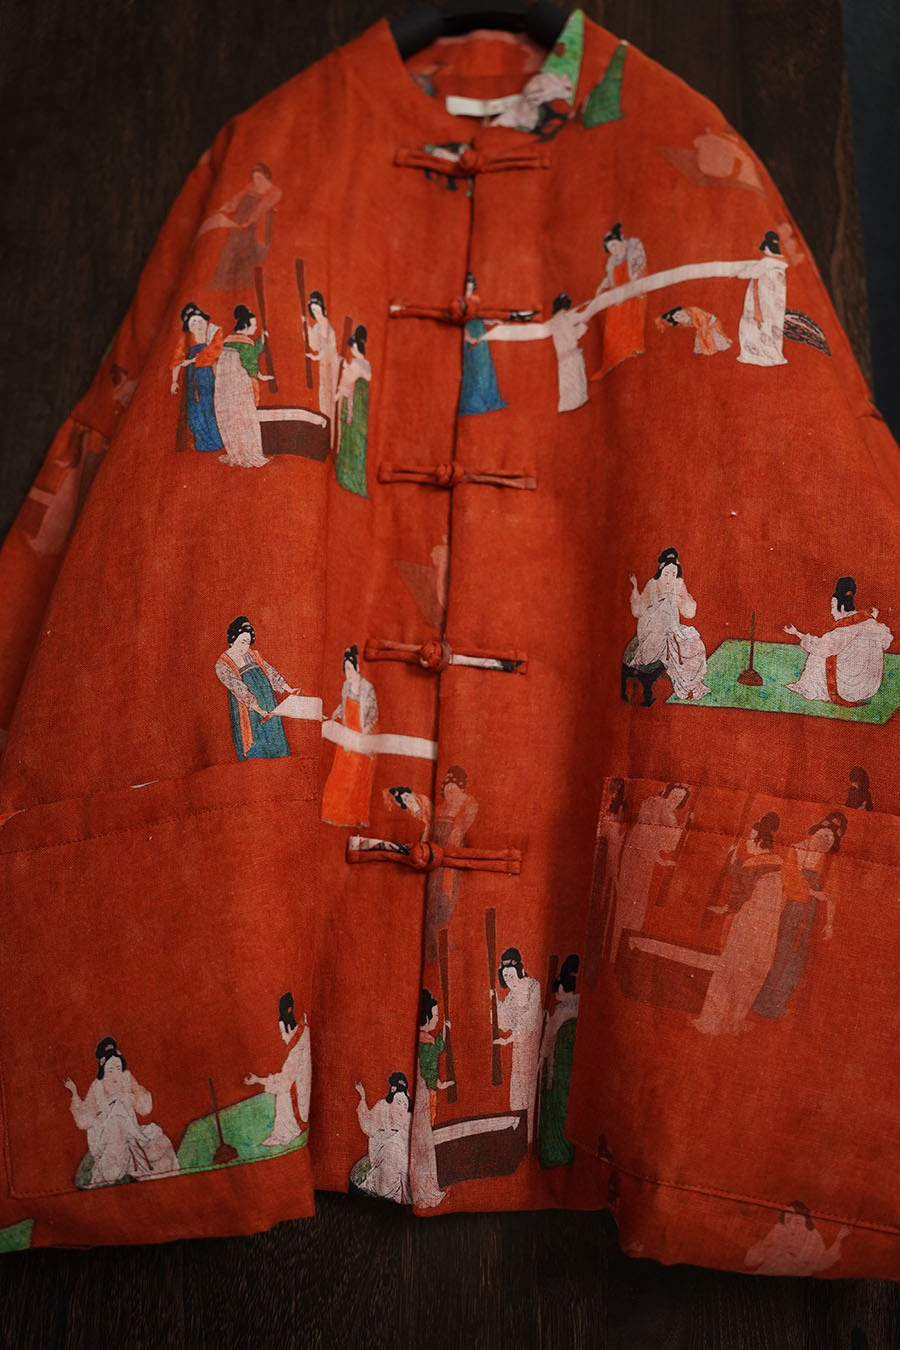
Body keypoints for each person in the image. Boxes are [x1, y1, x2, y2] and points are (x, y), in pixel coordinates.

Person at [691, 813, 785, 1036]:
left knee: (730, 969)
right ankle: (734, 1022)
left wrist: (726, 908)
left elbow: (740, 892)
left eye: (751, 838)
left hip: (749, 924)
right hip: (767, 928)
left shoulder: (754, 864)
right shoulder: (778, 864)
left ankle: (713, 1022)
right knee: (751, 974)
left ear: (760, 841)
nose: (747, 843)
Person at [753, 815, 845, 1019]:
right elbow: (789, 877)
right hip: (790, 909)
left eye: (829, 838)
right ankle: (761, 1002)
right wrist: (811, 892)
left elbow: (832, 894)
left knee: (798, 960)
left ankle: (779, 1005)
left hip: (811, 917)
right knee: (778, 953)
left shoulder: (830, 862)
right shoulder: (796, 849)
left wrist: (829, 923)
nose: (824, 840)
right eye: (822, 835)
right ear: (814, 832)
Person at [64, 1037, 179, 1187]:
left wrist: (129, 1097)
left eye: (118, 1068)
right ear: (103, 1068)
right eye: (110, 1070)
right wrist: (75, 1093)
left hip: (132, 1132)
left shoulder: (126, 1077)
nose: (115, 1074)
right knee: (115, 1127)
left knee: (160, 1146)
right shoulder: (97, 1086)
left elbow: (144, 1107)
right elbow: (84, 1120)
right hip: (109, 1137)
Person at [472, 291, 599, 412]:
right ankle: (574, 402)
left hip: (565, 355)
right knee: (574, 378)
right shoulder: (564, 319)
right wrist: (583, 326)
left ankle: (572, 403)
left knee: (570, 379)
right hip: (570, 354)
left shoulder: (556, 320)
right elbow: (572, 335)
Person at [608, 784, 690, 963]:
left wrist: (661, 858)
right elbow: (656, 838)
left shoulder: (667, 815)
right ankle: (614, 953)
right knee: (626, 904)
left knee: (636, 908)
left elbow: (665, 845)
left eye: (679, 799)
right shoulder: (655, 804)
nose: (674, 801)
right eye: (674, 796)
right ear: (668, 793)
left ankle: (622, 953)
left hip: (645, 866)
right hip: (634, 862)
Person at [785, 576, 894, 706]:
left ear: (839, 605)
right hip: (871, 686)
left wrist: (797, 633)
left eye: (832, 607)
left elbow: (822, 648)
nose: (832, 612)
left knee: (817, 656)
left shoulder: (847, 625)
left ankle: (809, 689)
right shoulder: (869, 620)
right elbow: (885, 642)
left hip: (851, 689)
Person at [628, 547, 711, 700]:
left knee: (696, 646)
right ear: (661, 570)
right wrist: (635, 588)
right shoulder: (653, 585)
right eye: (666, 574)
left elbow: (690, 612)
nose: (669, 578)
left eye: (673, 574)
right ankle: (685, 687)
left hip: (674, 629)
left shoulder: (678, 584)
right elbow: (638, 611)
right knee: (666, 616)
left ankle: (693, 686)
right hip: (654, 631)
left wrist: (677, 599)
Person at [214, 616, 300, 760]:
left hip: (268, 701)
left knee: (274, 735)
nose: (245, 647)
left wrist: (289, 689)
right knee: (257, 741)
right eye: (242, 641)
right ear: (233, 639)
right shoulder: (222, 664)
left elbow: (270, 672)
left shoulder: (252, 655)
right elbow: (239, 689)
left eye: (248, 642)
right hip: (248, 708)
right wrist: (258, 709)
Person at [198, 163, 283, 292]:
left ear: (266, 176)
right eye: (254, 177)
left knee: (252, 249)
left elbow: (262, 208)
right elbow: (237, 198)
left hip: (258, 223)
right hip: (240, 218)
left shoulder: (275, 191)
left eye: (259, 178)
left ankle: (244, 277)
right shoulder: (251, 186)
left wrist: (249, 221)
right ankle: (223, 279)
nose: (256, 181)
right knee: (232, 246)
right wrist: (225, 208)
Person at [424, 765, 479, 960]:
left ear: (462, 786)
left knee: (447, 901)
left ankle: (442, 940)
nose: (449, 788)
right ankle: (433, 943)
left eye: (454, 783)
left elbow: (461, 831)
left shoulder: (468, 804)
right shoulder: (440, 808)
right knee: (432, 901)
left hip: (452, 862)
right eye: (446, 784)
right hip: (433, 862)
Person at [243, 992, 311, 1147]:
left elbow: (285, 1083)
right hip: (300, 1087)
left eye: (282, 1031)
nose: (282, 1036)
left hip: (299, 1103)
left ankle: (284, 1133)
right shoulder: (303, 1031)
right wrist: (259, 1079)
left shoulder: (296, 1047)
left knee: (283, 1096)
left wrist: (261, 1083)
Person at [321, 644, 378, 826]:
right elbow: (343, 704)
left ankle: (354, 817)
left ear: (357, 667)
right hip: (347, 734)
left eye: (350, 668)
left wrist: (364, 735)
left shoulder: (367, 687)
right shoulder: (346, 685)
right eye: (345, 669)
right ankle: (335, 814)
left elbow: (373, 714)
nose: (348, 673)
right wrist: (336, 713)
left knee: (357, 777)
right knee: (340, 773)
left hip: (363, 735)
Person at [492, 947, 543, 1144]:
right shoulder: (511, 997)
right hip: (519, 1051)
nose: (509, 980)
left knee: (532, 1089)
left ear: (520, 970)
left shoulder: (533, 986)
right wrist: (495, 1003)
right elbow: (504, 1023)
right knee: (518, 1089)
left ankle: (531, 1135)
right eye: (505, 977)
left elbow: (530, 1020)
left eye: (511, 975)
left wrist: (509, 1039)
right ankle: (520, 1134)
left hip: (534, 1046)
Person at [410, 989, 454, 1209]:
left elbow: (437, 1049)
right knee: (426, 1133)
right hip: (426, 1093)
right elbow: (430, 1069)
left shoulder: (424, 1039)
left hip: (424, 1090)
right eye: (434, 1016)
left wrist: (444, 1031)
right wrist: (439, 1085)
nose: (436, 1019)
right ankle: (426, 1187)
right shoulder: (425, 1043)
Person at [214, 305, 273, 468]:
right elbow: (250, 362)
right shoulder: (245, 344)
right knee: (244, 416)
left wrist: (261, 340)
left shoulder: (228, 341)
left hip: (226, 386)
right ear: (246, 325)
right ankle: (249, 452)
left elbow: (252, 351)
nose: (255, 328)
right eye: (253, 325)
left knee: (231, 416)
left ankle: (235, 451)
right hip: (239, 384)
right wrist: (261, 376)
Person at [537, 954, 580, 1167]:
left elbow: (547, 1046)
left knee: (557, 1110)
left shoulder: (562, 1011)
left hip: (560, 1071)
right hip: (576, 1071)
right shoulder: (581, 1006)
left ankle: (556, 1153)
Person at [591, 222, 648, 378]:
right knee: (613, 321)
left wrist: (636, 282)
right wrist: (600, 288)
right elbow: (609, 278)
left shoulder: (634, 247)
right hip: (618, 293)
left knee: (632, 318)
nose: (614, 250)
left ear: (621, 239)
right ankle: (612, 359)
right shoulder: (611, 261)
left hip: (634, 290)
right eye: (611, 249)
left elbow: (640, 264)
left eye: (614, 245)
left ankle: (632, 349)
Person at [350, 1072, 412, 1204]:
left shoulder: (407, 1118)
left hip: (399, 1168)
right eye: (398, 1103)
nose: (401, 1109)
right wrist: (363, 1098)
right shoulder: (383, 1105)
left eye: (405, 1106)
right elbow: (368, 1125)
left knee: (394, 1147)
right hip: (380, 1162)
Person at [170, 303, 224, 452]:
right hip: (194, 375)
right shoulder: (186, 341)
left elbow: (215, 350)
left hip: (210, 371)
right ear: (189, 327)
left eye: (199, 321)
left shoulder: (213, 334)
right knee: (196, 407)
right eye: (193, 322)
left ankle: (218, 439)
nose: (197, 325)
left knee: (211, 404)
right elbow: (178, 359)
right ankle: (204, 440)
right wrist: (174, 381)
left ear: (205, 322)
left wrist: (194, 360)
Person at [745, 1202, 850, 1275]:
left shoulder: (813, 1237)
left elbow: (821, 1262)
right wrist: (766, 1246)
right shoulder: (777, 1231)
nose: (792, 1227)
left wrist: (839, 1239)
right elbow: (750, 1261)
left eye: (797, 1222)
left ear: (806, 1224)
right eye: (788, 1220)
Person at [734, 230, 789, 366]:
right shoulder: (782, 261)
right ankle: (769, 353)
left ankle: (759, 354)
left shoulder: (767, 262)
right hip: (775, 300)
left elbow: (750, 276)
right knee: (770, 325)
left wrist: (757, 306)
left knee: (758, 324)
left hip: (764, 297)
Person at [457, 273, 507, 415]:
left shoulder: (476, 301)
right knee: (473, 370)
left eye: (470, 289)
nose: (468, 292)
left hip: (481, 337)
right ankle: (474, 403)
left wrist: (494, 320)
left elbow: (482, 316)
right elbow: (460, 323)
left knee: (485, 368)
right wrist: (469, 339)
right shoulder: (460, 303)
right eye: (466, 289)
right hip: (470, 339)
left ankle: (488, 400)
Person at [335, 326, 371, 497]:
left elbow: (348, 382)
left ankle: (347, 477)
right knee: (359, 440)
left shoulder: (357, 364)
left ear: (356, 347)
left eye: (352, 348)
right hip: (362, 409)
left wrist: (338, 394)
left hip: (355, 405)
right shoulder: (367, 365)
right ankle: (356, 478)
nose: (352, 350)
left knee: (351, 436)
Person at [304, 291, 340, 427]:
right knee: (323, 392)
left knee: (330, 393)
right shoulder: (318, 326)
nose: (316, 313)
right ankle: (326, 419)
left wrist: (315, 357)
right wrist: (306, 327)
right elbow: (314, 344)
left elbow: (327, 349)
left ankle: (332, 422)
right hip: (324, 364)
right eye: (313, 310)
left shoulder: (325, 324)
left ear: (322, 309)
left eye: (317, 310)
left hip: (331, 364)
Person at [655, 305, 732, 355]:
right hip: (701, 327)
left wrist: (703, 332)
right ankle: (698, 351)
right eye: (676, 318)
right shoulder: (684, 321)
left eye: (677, 314)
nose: (679, 316)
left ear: (680, 310)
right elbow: (694, 325)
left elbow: (703, 321)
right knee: (698, 338)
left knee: (712, 335)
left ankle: (724, 347)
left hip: (711, 322)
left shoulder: (693, 310)